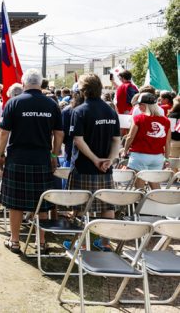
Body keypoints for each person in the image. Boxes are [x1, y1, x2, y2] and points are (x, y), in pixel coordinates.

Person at [0, 69, 63, 254]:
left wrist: (0, 154)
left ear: (23, 83)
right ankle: (41, 243)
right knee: (41, 203)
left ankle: (15, 241)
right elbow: (59, 134)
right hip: (42, 158)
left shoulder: (14, 102)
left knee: (15, 202)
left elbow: (3, 133)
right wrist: (53, 156)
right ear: (40, 83)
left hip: (17, 158)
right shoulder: (51, 104)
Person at [67, 74, 121, 251]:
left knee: (81, 207)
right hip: (106, 168)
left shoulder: (79, 111)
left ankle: (79, 244)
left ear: (83, 91)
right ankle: (105, 243)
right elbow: (116, 140)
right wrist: (109, 160)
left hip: (85, 167)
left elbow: (78, 140)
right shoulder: (111, 111)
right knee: (107, 205)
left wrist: (96, 160)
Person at [121, 92, 171, 189]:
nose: (138, 106)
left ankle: (139, 203)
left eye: (140, 104)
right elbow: (167, 142)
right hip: (158, 157)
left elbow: (130, 137)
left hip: (140, 156)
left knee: (139, 186)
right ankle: (157, 203)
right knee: (155, 185)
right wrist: (167, 158)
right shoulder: (166, 121)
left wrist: (125, 150)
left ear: (146, 105)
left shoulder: (138, 118)